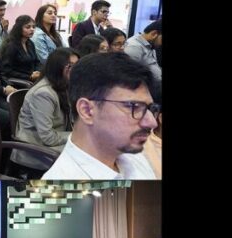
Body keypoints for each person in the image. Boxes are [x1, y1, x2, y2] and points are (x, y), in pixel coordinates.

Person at [43, 52, 159, 179]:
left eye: (149, 108)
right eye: (134, 106)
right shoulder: (62, 182)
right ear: (87, 111)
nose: (152, 122)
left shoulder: (132, 154)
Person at [10, 48, 79, 178]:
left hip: (51, 142)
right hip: (35, 149)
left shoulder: (63, 86)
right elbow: (48, 138)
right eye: (71, 66)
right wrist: (77, 135)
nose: (76, 71)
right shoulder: (43, 93)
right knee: (83, 155)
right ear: (57, 68)